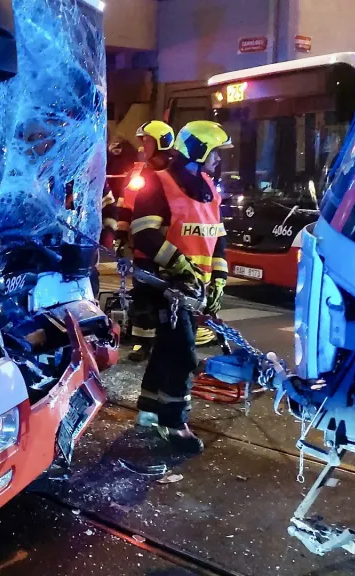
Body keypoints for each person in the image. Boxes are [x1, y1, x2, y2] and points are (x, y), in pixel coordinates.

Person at [128, 120, 231, 455]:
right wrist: (181, 267)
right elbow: (144, 233)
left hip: (190, 288)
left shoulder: (209, 188)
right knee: (184, 352)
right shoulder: (157, 183)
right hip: (162, 285)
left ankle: (149, 409)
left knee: (168, 348)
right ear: (199, 151)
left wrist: (218, 279)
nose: (218, 161)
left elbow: (218, 240)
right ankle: (174, 422)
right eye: (215, 153)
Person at [115, 120, 176, 362]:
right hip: (142, 247)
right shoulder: (138, 174)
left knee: (167, 297)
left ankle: (166, 342)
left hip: (168, 247)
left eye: (146, 140)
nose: (142, 146)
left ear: (161, 142)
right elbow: (125, 206)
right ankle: (142, 342)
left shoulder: (173, 175)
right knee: (142, 295)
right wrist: (121, 236)